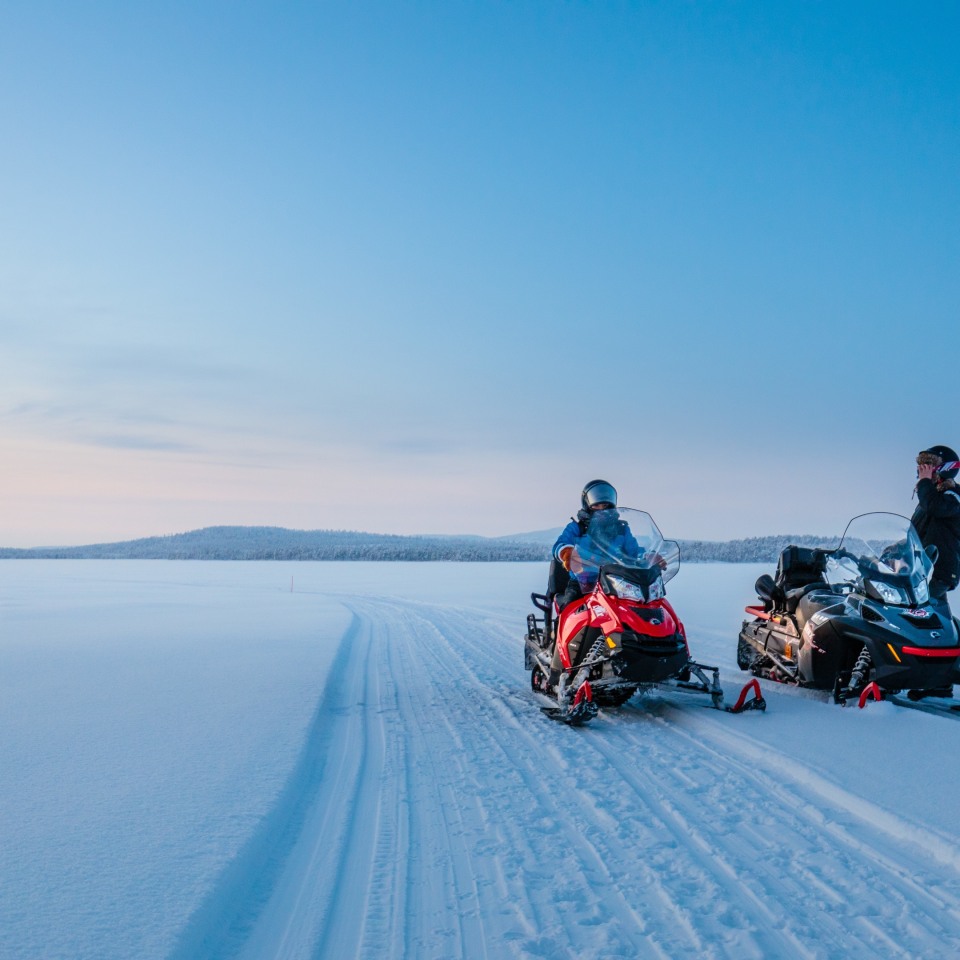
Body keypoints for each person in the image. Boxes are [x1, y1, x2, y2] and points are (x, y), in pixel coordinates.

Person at [547, 479, 641, 681]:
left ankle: (629, 653)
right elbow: (559, 544)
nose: (602, 507)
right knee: (569, 610)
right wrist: (566, 552)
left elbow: (634, 551)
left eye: (606, 503)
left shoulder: (621, 529)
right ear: (587, 504)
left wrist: (648, 557)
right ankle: (558, 662)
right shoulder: (578, 527)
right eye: (597, 503)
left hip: (614, 582)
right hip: (583, 580)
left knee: (631, 612)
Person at [911, 445, 960, 612]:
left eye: (929, 466)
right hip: (923, 570)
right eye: (922, 466)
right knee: (936, 616)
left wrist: (924, 482)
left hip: (940, 571)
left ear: (944, 469)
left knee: (919, 610)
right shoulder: (930, 497)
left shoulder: (954, 495)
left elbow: (935, 507)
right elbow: (915, 532)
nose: (922, 470)